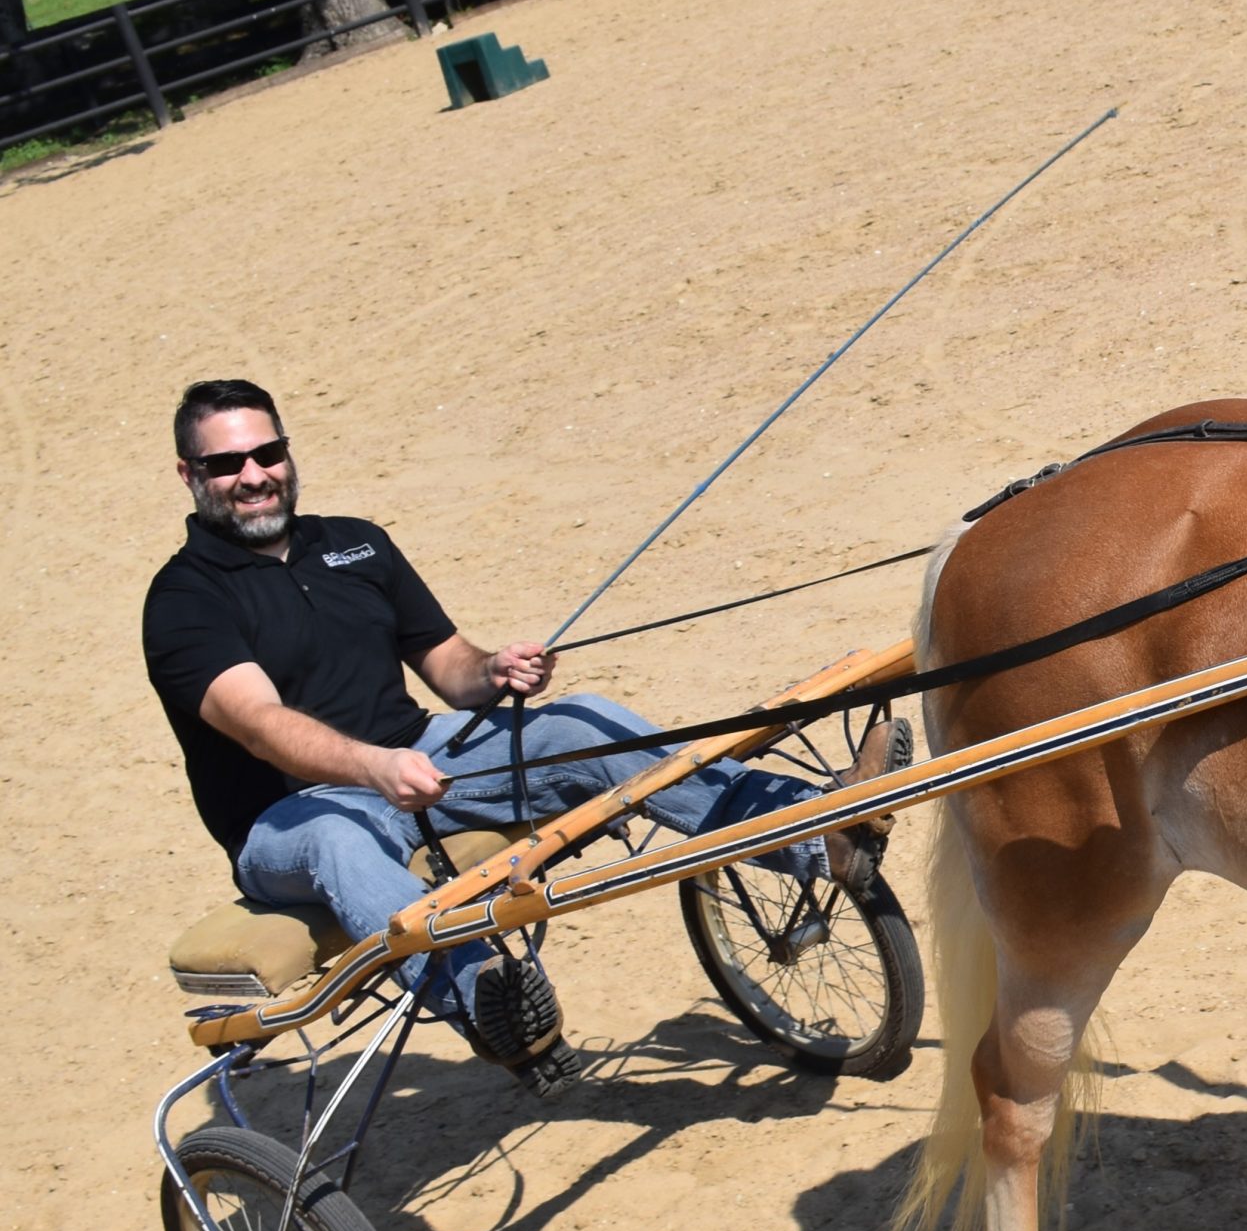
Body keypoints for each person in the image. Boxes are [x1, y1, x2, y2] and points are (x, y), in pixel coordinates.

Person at [142, 379, 900, 1096]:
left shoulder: (355, 545)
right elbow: (262, 726)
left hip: (419, 759)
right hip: (291, 817)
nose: (254, 475)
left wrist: (497, 668)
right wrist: (374, 768)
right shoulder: (183, 600)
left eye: (267, 453)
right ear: (189, 474)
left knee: (580, 720)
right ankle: (490, 1003)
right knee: (341, 841)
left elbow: (448, 666)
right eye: (227, 463)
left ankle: (817, 831)